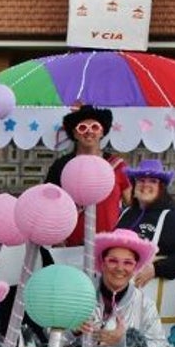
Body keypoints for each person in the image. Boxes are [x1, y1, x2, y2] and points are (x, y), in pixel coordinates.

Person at [67, 229, 168, 347]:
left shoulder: (144, 304)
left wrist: (124, 341)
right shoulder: (79, 295)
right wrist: (72, 331)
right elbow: (49, 337)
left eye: (128, 263)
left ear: (135, 268)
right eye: (113, 261)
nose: (120, 268)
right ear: (102, 263)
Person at [45, 106, 131, 249]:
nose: (89, 131)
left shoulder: (118, 166)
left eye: (95, 127)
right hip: (68, 245)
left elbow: (131, 205)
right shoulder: (61, 166)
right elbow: (49, 203)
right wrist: (57, 238)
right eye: (82, 128)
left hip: (109, 247)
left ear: (102, 132)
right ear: (75, 133)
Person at [115, 159, 175, 287]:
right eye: (141, 180)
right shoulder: (126, 213)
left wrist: (156, 269)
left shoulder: (171, 216)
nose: (145, 185)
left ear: (161, 188)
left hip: (148, 291)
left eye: (153, 181)